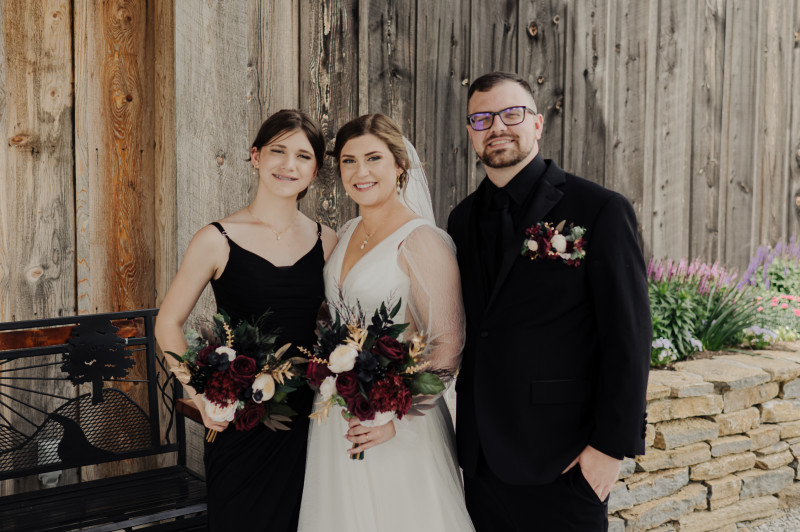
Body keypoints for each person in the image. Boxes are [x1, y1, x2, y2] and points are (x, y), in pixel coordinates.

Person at [448, 72, 651, 531]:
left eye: (510, 113)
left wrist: (609, 449)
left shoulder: (598, 209)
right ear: (470, 133)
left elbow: (629, 337)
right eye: (481, 118)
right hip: (482, 458)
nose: (496, 126)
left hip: (564, 456)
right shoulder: (461, 220)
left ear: (537, 124)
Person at [155, 109, 337, 531]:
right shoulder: (216, 239)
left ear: (315, 170)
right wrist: (199, 394)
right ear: (255, 157)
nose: (288, 165)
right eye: (277, 151)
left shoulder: (328, 241)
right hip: (241, 419)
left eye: (303, 156)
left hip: (310, 422)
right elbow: (168, 322)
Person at [298, 114, 475, 531]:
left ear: (399, 165)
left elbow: (448, 343)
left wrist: (394, 415)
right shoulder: (347, 231)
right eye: (348, 161)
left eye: (373, 158)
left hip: (399, 425)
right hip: (338, 413)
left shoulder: (422, 240)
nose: (360, 172)